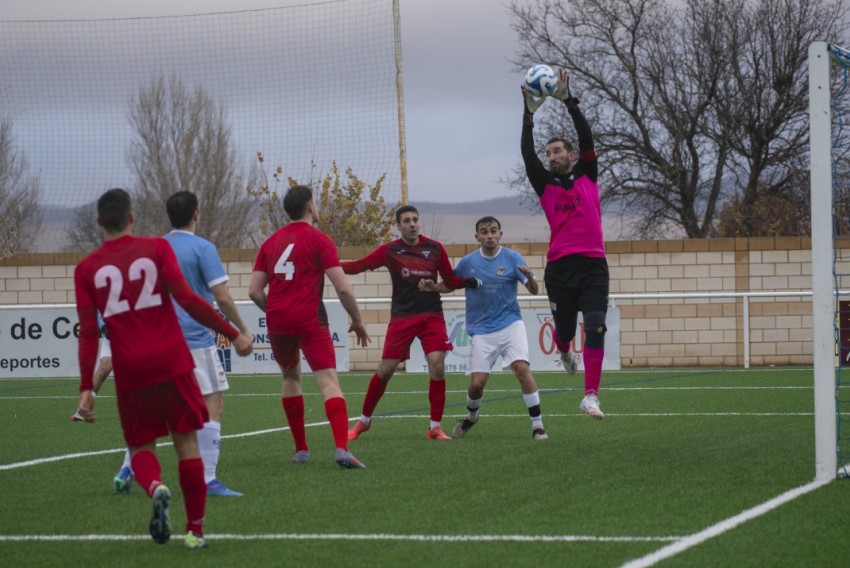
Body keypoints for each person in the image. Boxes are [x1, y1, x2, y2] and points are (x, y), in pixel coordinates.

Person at [74, 188, 253, 549]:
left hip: (131, 369)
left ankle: (156, 487)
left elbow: (89, 334)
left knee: (141, 447)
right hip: (173, 360)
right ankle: (195, 532)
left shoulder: (86, 269)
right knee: (187, 443)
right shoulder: (156, 249)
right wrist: (233, 333)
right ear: (131, 218)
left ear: (98, 222)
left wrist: (86, 389)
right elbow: (189, 298)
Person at [248, 185, 370, 469]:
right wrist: (357, 320)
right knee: (328, 382)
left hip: (278, 321)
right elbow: (343, 287)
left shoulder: (269, 243)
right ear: (311, 207)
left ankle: (301, 450)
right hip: (310, 318)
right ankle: (341, 449)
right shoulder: (320, 240)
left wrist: (275, 311)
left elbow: (254, 291)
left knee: (290, 378)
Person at [343, 204, 479, 441]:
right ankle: (364, 421)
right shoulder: (390, 250)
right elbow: (359, 266)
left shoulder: (434, 249)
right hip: (402, 317)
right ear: (398, 226)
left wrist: (468, 281)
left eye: (415, 219)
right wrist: (329, 266)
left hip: (431, 315)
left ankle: (435, 427)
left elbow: (449, 279)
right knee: (386, 370)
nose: (412, 224)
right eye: (406, 221)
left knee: (437, 365)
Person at [521, 67, 608, 420]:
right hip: (559, 268)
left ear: (571, 155)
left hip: (593, 264)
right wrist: (528, 116)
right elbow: (527, 155)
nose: (551, 156)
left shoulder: (588, 173)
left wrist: (570, 102)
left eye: (557, 151)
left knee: (597, 325)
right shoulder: (545, 185)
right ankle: (565, 351)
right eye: (549, 153)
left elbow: (586, 139)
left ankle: (590, 396)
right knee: (565, 332)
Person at [419, 216, 548, 440]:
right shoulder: (468, 262)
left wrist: (530, 278)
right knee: (477, 384)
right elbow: (451, 284)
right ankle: (472, 417)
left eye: (493, 231)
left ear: (500, 234)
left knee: (521, 368)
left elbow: (534, 290)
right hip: (482, 329)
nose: (489, 235)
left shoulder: (512, 258)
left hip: (510, 323)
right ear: (477, 237)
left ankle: (538, 426)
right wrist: (433, 287)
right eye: (485, 232)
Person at [164, 190, 253, 497]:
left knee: (156, 408)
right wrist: (242, 330)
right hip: (195, 339)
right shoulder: (203, 248)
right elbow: (222, 297)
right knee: (213, 403)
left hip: (161, 339)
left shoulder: (156, 248)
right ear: (196, 214)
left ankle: (128, 467)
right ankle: (208, 479)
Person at [69, 315, 136, 493]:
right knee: (105, 366)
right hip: (113, 334)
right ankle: (83, 408)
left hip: (134, 335)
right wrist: (104, 326)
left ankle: (129, 468)